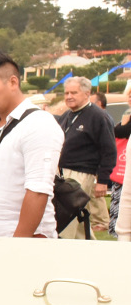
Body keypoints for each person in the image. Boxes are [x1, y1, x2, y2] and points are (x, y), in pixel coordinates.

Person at [0, 52, 63, 238]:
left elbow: (38, 190)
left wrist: (16, 246)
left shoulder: (39, 124)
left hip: (23, 240)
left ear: (13, 82)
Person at [57, 76, 115, 239]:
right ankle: (91, 253)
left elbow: (108, 150)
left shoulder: (98, 116)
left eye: (74, 92)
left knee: (66, 222)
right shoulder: (67, 116)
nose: (69, 96)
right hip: (63, 173)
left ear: (86, 93)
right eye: (67, 93)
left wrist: (103, 180)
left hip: (82, 173)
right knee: (79, 224)